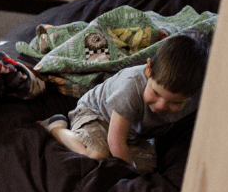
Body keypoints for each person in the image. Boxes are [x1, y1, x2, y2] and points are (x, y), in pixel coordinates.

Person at [39, 33, 210, 171]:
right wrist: (131, 170)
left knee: (149, 165)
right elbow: (116, 141)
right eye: (156, 93)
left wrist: (139, 166)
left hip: (135, 135)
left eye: (174, 103)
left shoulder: (195, 99)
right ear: (149, 68)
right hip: (97, 116)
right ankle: (56, 127)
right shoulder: (131, 87)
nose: (160, 106)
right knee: (98, 154)